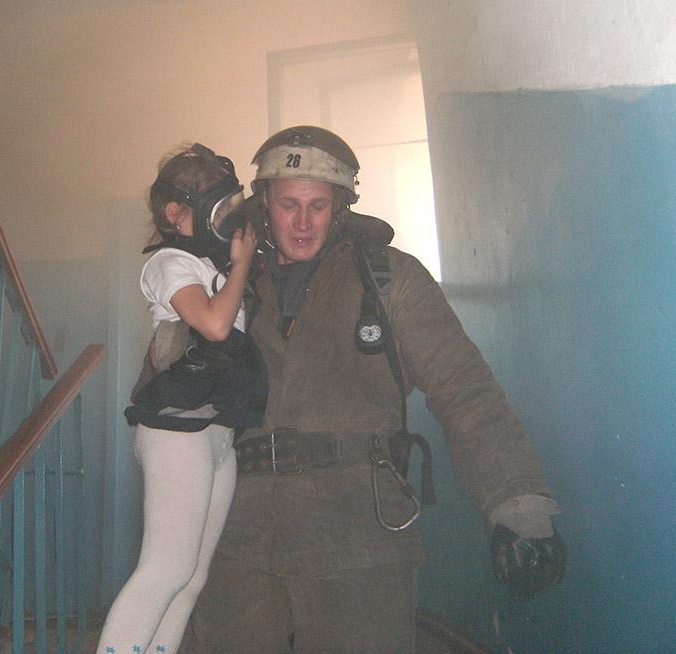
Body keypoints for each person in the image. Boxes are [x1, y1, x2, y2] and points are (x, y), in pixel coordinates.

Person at [180, 126, 565, 654]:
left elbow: (464, 389)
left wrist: (518, 506)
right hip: (238, 533)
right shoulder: (224, 284)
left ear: (341, 205)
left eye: (318, 205)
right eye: (289, 204)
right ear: (264, 202)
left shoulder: (389, 279)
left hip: (358, 532)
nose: (302, 222)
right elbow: (171, 401)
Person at [96, 144, 266, 654]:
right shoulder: (170, 262)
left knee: (190, 578)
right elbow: (213, 325)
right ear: (175, 213)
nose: (227, 218)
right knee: (165, 568)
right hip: (176, 430)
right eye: (217, 206)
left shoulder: (213, 266)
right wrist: (241, 266)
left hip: (216, 432)